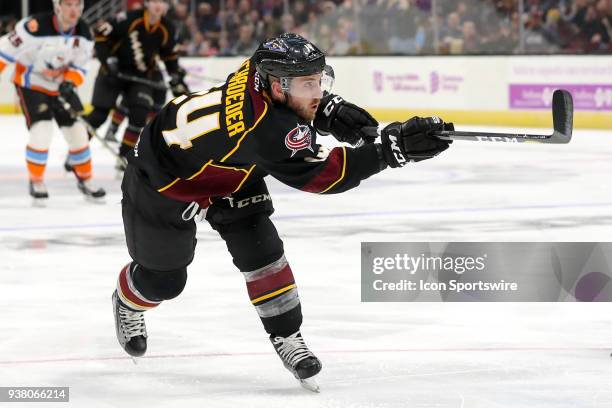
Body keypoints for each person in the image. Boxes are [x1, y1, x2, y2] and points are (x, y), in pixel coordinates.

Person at [111, 33, 452, 391]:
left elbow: (288, 114)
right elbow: (326, 175)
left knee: (262, 251)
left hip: (232, 168)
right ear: (277, 86)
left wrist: (328, 111)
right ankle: (127, 301)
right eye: (309, 84)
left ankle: (287, 336)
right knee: (164, 281)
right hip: (164, 180)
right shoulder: (264, 132)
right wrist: (389, 151)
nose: (318, 91)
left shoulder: (257, 72)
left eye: (320, 80)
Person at [0, 0, 105, 204]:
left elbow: (81, 67)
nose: (73, 10)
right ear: (58, 7)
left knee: (78, 132)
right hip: (32, 83)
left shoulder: (84, 33)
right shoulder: (34, 27)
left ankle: (86, 179)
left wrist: (69, 81)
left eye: (77, 5)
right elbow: (4, 51)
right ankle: (36, 180)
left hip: (61, 85)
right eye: (68, 4)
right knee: (42, 129)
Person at [85, 0, 188, 171]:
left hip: (139, 76)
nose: (159, 5)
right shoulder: (127, 18)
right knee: (98, 115)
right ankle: (76, 152)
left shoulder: (167, 28)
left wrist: (176, 76)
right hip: (113, 72)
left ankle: (124, 156)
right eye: (155, 1)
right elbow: (100, 35)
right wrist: (108, 60)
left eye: (163, 2)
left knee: (140, 113)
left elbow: (169, 57)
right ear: (147, 3)